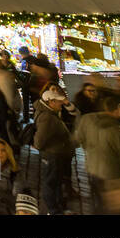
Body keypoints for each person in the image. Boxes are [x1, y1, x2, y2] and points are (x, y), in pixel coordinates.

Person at [74, 96, 120, 214]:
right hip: (112, 174)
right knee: (112, 206)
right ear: (116, 111)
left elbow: (78, 140)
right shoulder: (119, 132)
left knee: (96, 200)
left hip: (92, 169)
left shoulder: (86, 119)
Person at [33, 86, 73, 215]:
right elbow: (39, 141)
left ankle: (58, 206)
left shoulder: (51, 113)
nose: (61, 103)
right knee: (50, 183)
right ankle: (53, 209)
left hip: (56, 154)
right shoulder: (47, 117)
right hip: (52, 156)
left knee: (55, 182)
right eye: (58, 101)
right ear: (50, 102)